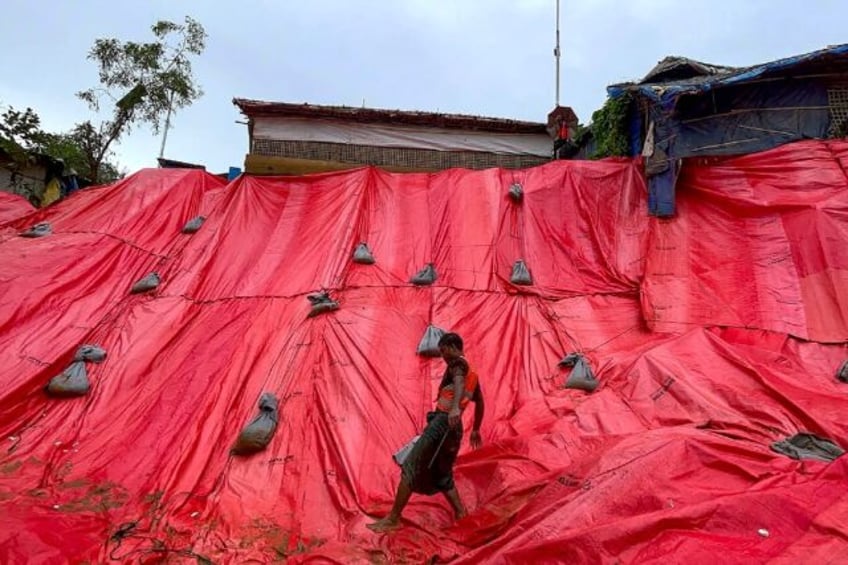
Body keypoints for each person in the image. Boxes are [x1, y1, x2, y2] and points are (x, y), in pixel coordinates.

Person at [367, 332, 484, 532]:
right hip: (454, 430)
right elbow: (480, 402)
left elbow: (457, 380)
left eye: (444, 351)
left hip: (442, 422)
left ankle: (393, 518)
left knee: (411, 465)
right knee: (442, 473)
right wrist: (475, 429)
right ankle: (460, 513)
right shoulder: (472, 374)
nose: (443, 356)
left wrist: (455, 407)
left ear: (453, 347)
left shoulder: (458, 364)